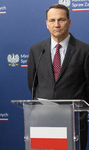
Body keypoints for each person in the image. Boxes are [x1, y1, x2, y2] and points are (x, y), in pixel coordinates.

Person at [27, 4, 89, 150]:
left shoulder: (84, 50)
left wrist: (80, 113)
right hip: (43, 121)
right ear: (47, 24)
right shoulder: (36, 50)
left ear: (69, 22)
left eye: (61, 20)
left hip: (74, 123)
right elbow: (32, 84)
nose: (56, 24)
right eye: (52, 20)